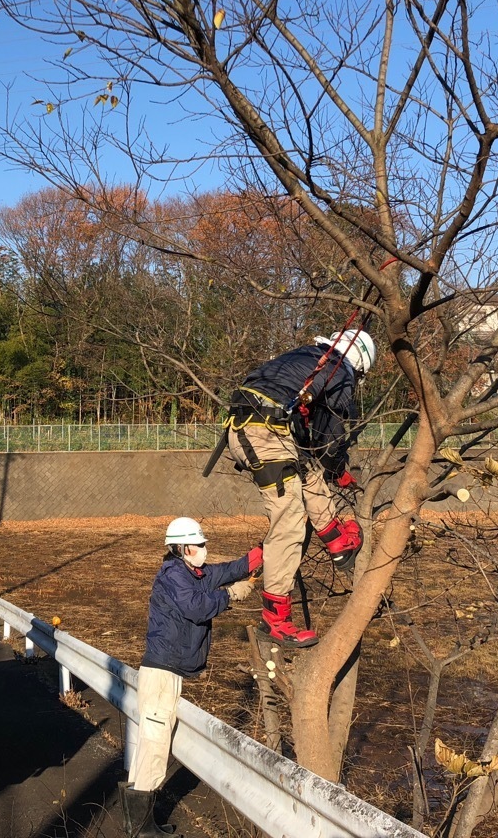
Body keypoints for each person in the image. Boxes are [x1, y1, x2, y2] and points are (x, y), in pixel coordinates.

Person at [222, 329, 374, 647]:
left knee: (309, 472)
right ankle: (276, 619)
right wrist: (339, 469)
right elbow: (328, 438)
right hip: (263, 433)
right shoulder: (340, 371)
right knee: (289, 524)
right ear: (359, 366)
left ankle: (337, 541)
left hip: (263, 428)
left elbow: (309, 436)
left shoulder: (310, 358)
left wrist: (330, 469)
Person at [119, 516, 262, 838]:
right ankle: (142, 830)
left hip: (168, 670)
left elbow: (230, 570)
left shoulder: (194, 572)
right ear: (182, 548)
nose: (204, 549)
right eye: (199, 545)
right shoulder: (174, 575)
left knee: (151, 745)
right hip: (161, 673)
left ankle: (138, 825)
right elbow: (197, 607)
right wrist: (231, 596)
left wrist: (264, 552)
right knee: (155, 746)